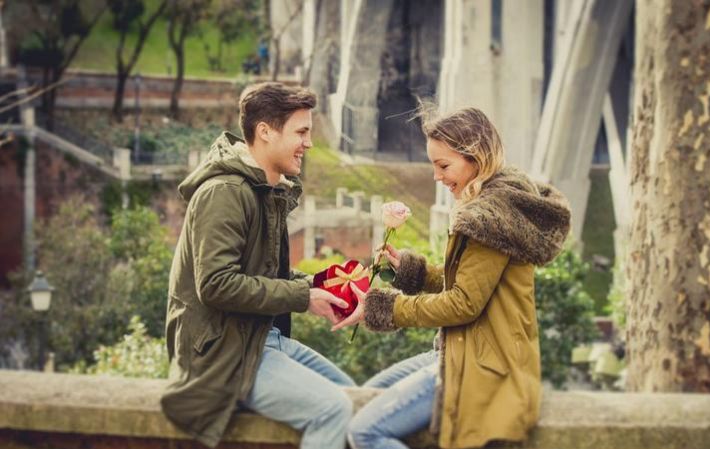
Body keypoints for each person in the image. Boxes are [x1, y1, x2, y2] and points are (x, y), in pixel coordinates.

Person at [334, 107, 572, 449]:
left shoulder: (488, 218)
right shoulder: (499, 201)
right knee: (372, 390)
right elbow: (474, 285)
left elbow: (463, 304)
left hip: (481, 362)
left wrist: (385, 307)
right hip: (466, 348)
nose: (436, 176)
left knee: (365, 431)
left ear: (476, 157)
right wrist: (413, 272)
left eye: (443, 166)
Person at [161, 82, 355, 449]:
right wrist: (302, 295)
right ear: (265, 131)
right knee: (333, 409)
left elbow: (264, 279)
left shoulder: (264, 191)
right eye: (301, 132)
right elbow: (217, 284)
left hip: (260, 338)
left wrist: (320, 287)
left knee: (356, 397)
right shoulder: (225, 193)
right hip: (223, 357)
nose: (309, 143)